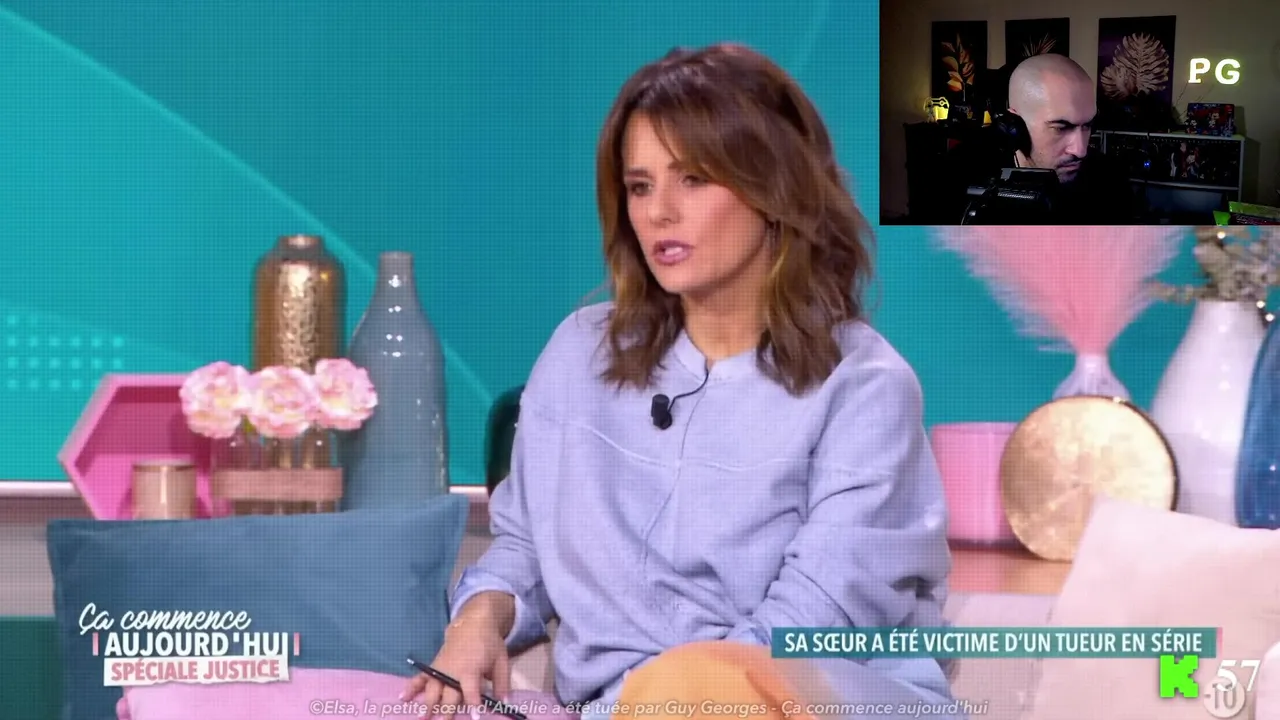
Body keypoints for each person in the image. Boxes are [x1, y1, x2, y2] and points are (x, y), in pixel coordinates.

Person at [403, 43, 958, 720]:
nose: (659, 212)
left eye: (693, 179)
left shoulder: (864, 386)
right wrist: (476, 621)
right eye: (640, 186)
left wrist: (660, 700)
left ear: (774, 186)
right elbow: (526, 547)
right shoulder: (580, 355)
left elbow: (812, 619)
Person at [944, 54, 1136, 224]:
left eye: (1087, 125)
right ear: (1014, 125)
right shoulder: (959, 173)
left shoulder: (1110, 181)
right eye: (1060, 128)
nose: (1080, 150)